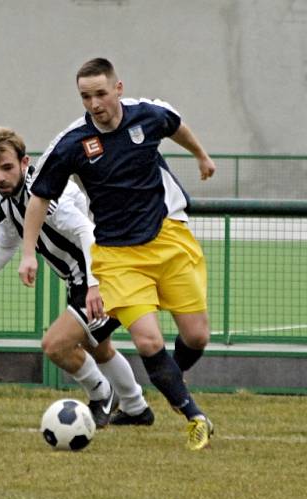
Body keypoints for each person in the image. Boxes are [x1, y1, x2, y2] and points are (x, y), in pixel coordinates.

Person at [19, 57, 215, 451]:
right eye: (85, 96)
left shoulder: (147, 116)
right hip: (117, 256)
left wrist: (201, 156)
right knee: (147, 342)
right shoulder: (73, 143)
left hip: (167, 239)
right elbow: (39, 196)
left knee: (196, 335)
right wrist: (27, 254)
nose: (94, 103)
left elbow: (176, 125)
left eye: (101, 94)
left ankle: (173, 380)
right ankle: (195, 416)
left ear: (118, 89)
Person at [0, 127, 152, 428]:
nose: (0, 177)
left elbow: (88, 232)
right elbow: (5, 245)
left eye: (7, 168)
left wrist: (95, 285)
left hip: (103, 276)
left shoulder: (44, 193)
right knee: (99, 347)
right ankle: (137, 409)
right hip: (80, 279)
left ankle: (102, 395)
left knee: (55, 345)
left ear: (24, 162)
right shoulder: (8, 204)